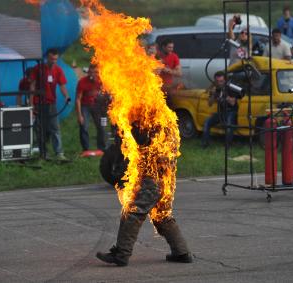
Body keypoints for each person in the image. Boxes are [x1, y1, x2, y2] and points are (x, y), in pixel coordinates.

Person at [96, 112, 192, 267]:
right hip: (165, 176)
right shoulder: (163, 118)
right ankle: (182, 253)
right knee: (162, 216)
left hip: (152, 177)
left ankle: (121, 254)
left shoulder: (148, 120)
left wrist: (128, 124)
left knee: (133, 212)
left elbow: (141, 139)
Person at [30, 48, 70, 160]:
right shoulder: (38, 69)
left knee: (55, 128)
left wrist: (66, 96)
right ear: (47, 57)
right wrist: (31, 104)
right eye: (52, 59)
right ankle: (44, 153)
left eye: (56, 59)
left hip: (51, 104)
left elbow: (62, 86)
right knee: (40, 129)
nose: (54, 61)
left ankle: (59, 153)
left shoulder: (58, 70)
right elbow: (32, 86)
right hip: (39, 103)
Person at [201, 71, 238, 148]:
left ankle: (227, 145)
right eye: (217, 81)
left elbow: (233, 103)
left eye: (221, 81)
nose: (219, 83)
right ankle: (205, 144)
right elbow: (210, 104)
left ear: (225, 80)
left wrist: (224, 95)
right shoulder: (215, 89)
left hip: (231, 112)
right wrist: (213, 94)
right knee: (207, 122)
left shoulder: (230, 88)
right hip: (221, 113)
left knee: (229, 123)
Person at [75, 64, 106, 152]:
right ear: (88, 72)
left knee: (101, 127)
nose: (93, 74)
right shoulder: (82, 82)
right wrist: (79, 115)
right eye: (91, 72)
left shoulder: (101, 81)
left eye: (95, 72)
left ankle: (102, 148)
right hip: (85, 106)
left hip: (97, 106)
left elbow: (106, 93)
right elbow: (78, 99)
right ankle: (86, 149)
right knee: (84, 126)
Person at [158, 38, 182, 105]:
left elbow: (179, 73)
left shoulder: (174, 57)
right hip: (156, 87)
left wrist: (168, 70)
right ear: (163, 47)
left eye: (172, 47)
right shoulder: (157, 56)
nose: (171, 49)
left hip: (167, 88)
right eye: (169, 47)